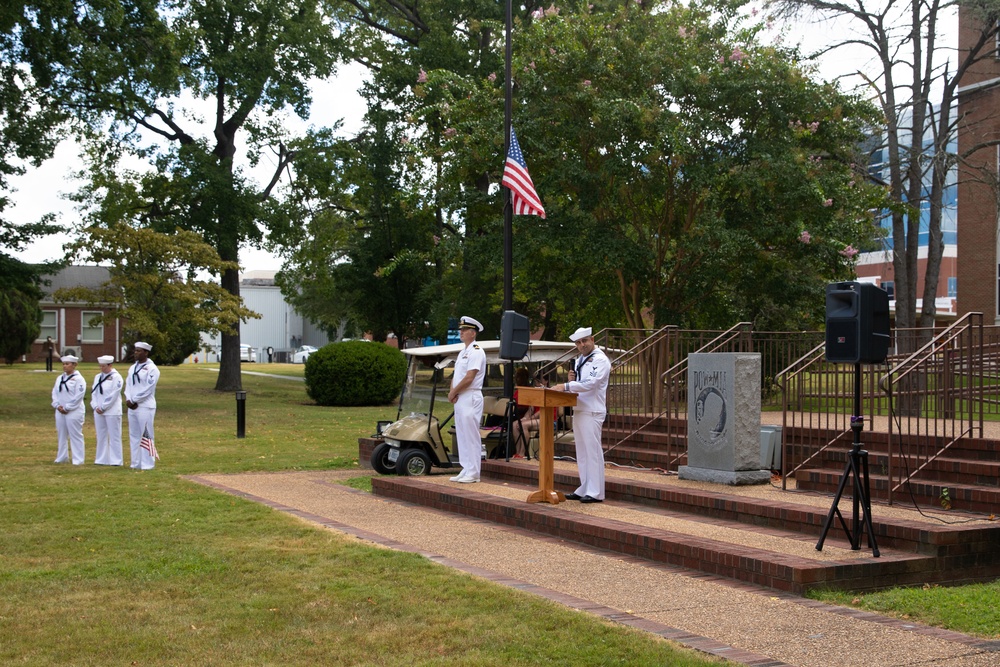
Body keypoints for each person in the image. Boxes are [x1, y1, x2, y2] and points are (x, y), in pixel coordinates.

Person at [553, 327, 611, 503]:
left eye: (584, 341)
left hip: (592, 409)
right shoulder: (580, 360)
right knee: (582, 451)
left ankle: (596, 492)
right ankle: (585, 487)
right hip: (580, 407)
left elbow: (591, 383)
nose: (582, 345)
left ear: (592, 339)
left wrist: (567, 386)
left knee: (592, 451)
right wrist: (573, 379)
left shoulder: (600, 360)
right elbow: (581, 382)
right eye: (578, 342)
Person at [447, 316, 487, 483]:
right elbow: (457, 375)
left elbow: (470, 377)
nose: (461, 332)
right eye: (461, 330)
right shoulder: (463, 351)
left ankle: (474, 471)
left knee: (471, 434)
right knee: (462, 433)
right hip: (461, 396)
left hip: (470, 395)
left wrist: (454, 391)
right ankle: (466, 467)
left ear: (473, 333)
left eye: (464, 330)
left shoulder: (476, 350)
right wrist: (453, 391)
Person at [125, 341, 160, 470]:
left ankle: (148, 464)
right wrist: (128, 398)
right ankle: (135, 462)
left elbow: (149, 388)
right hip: (132, 406)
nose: (136, 353)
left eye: (139, 351)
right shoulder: (132, 367)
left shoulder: (152, 368)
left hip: (145, 406)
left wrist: (134, 399)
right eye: (135, 350)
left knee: (146, 435)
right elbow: (128, 385)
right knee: (134, 435)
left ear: (146, 352)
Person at [51, 354, 86, 464]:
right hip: (60, 410)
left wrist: (68, 407)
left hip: (74, 411)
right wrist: (57, 405)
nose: (65, 366)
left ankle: (78, 459)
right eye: (63, 364)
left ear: (74, 365)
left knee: (75, 434)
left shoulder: (79, 379)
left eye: (67, 364)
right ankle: (62, 457)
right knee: (61, 434)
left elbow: (78, 396)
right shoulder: (60, 378)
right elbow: (55, 392)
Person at [91, 355, 124, 466]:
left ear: (110, 365)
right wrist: (95, 406)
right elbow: (94, 393)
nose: (101, 368)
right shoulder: (97, 377)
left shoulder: (116, 377)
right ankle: (101, 459)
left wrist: (104, 407)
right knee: (101, 435)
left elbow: (113, 395)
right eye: (100, 366)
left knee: (114, 435)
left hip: (112, 410)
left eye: (103, 366)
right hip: (98, 410)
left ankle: (116, 460)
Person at [511, 367, 540, 458]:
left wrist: (529, 419)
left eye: (539, 381)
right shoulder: (535, 392)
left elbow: (541, 412)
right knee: (515, 424)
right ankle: (518, 451)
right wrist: (525, 418)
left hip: (546, 419)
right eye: (536, 381)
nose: (536, 383)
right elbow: (531, 409)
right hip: (534, 418)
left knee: (523, 425)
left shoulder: (548, 392)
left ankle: (522, 453)